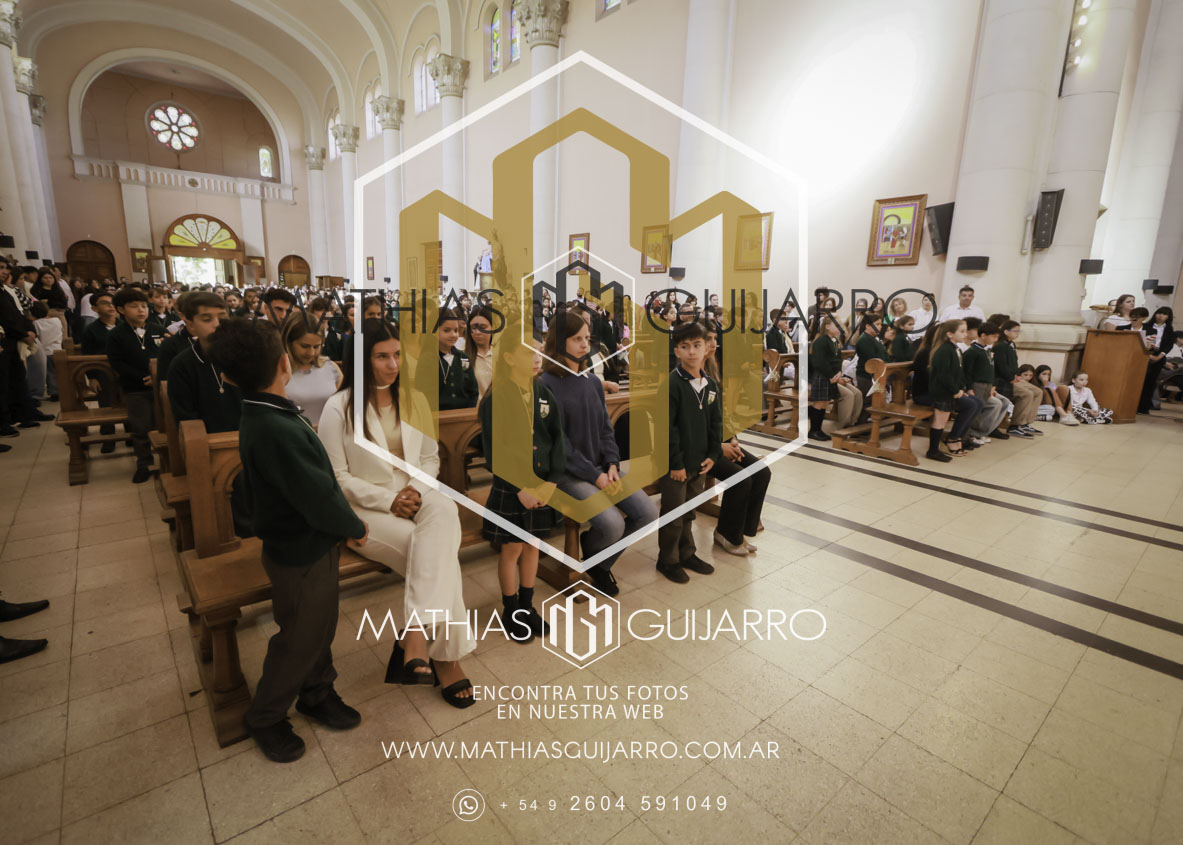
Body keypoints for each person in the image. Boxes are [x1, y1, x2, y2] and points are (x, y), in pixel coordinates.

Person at [204, 318, 367, 762]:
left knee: (318, 627)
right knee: (299, 638)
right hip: (299, 550)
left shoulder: (269, 411)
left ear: (229, 376)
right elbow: (317, 496)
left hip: (307, 544)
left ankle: (317, 691)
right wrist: (354, 526)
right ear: (283, 363)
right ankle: (266, 716)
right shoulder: (276, 426)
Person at [317, 319, 475, 707]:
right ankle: (446, 659)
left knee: (445, 509)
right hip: (367, 507)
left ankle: (414, 635)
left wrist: (414, 489)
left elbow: (430, 458)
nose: (393, 364)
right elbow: (336, 476)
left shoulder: (414, 398)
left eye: (397, 355)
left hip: (415, 492)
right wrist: (389, 500)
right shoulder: (339, 408)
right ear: (362, 359)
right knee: (439, 558)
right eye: (381, 356)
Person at [540, 309, 658, 596]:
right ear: (558, 342)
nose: (585, 345)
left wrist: (612, 463)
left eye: (587, 338)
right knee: (612, 524)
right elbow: (559, 444)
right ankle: (598, 560)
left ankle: (598, 563)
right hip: (566, 473)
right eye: (576, 339)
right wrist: (595, 476)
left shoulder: (592, 381)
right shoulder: (545, 384)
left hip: (600, 467)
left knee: (647, 514)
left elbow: (606, 429)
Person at [479, 340, 565, 642]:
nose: (537, 358)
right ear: (509, 357)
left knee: (533, 546)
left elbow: (557, 438)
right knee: (512, 549)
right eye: (529, 352)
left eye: (539, 351)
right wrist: (520, 487)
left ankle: (527, 606)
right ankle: (511, 609)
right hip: (513, 488)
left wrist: (551, 481)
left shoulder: (543, 392)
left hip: (541, 485)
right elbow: (495, 452)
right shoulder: (496, 398)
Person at [656, 321, 719, 582]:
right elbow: (667, 429)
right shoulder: (672, 383)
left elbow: (716, 423)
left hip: (699, 461)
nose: (691, 351)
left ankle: (687, 553)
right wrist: (676, 463)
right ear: (677, 352)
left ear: (706, 348)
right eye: (685, 346)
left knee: (690, 510)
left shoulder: (710, 384)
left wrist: (713, 455)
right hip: (676, 464)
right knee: (673, 514)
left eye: (697, 345)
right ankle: (667, 560)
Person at [106, 287, 163, 483]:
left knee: (167, 425)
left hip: (162, 386)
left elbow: (170, 356)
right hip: (136, 389)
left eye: (144, 306)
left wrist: (158, 376)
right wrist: (143, 377)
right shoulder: (116, 335)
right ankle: (144, 464)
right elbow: (117, 362)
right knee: (141, 428)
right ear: (121, 310)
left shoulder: (158, 330)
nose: (141, 310)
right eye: (134, 306)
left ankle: (170, 462)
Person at [927, 319, 985, 459]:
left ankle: (956, 438)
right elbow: (943, 375)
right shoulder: (944, 350)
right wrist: (955, 391)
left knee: (976, 403)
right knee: (940, 421)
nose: (965, 334)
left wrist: (961, 389)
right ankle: (933, 451)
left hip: (950, 391)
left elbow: (958, 373)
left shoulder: (955, 348)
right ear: (950, 334)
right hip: (942, 392)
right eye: (962, 331)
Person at [807, 317, 860, 440]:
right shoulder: (821, 341)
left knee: (825, 402)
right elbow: (819, 362)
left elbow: (837, 360)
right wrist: (831, 376)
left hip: (830, 376)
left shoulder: (834, 341)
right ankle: (814, 430)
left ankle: (818, 430)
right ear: (827, 327)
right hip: (822, 375)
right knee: (820, 403)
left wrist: (839, 372)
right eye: (837, 325)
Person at [282, 315, 341, 426]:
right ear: (289, 342)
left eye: (316, 346)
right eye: (305, 346)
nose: (311, 353)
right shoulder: (278, 371)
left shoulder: (331, 367)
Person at [962, 322, 1009, 444]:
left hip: (987, 386)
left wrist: (992, 386)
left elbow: (991, 369)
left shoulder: (986, 350)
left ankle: (985, 431)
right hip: (977, 385)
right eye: (994, 336)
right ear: (983, 335)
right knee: (979, 409)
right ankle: (972, 433)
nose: (996, 340)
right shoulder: (972, 351)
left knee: (1004, 402)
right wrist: (969, 388)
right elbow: (966, 372)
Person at [996, 321, 1042, 437]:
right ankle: (1015, 425)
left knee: (1038, 391)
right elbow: (1001, 365)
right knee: (1027, 394)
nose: (1018, 333)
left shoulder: (1012, 344)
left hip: (1014, 377)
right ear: (1006, 331)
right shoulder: (1000, 346)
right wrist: (1011, 377)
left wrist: (1017, 375)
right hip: (1004, 379)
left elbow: (1014, 363)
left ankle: (1026, 423)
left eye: (1018, 331)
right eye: (1015, 331)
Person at [437, 308, 478, 409]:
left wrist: (468, 411)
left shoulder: (463, 358)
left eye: (456, 330)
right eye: (446, 330)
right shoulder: (426, 359)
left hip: (463, 413)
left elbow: (472, 389)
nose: (453, 335)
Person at [1139, 307, 1174, 412]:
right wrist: (1149, 355)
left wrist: (1159, 356)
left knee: (1151, 382)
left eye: (1164, 314)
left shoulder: (1169, 329)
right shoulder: (1146, 326)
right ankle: (1135, 404)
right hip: (1145, 354)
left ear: (1168, 317)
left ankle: (1144, 407)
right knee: (1141, 381)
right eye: (1159, 313)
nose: (1161, 316)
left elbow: (1169, 345)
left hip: (1159, 357)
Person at [28, 301, 61, 401]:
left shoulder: (36, 323)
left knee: (49, 374)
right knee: (58, 373)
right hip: (58, 350)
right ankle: (60, 391)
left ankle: (54, 393)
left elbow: (37, 338)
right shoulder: (56, 320)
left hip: (46, 351)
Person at [853, 313, 889, 399]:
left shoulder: (874, 338)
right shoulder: (864, 340)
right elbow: (872, 358)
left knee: (876, 400)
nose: (880, 327)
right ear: (868, 326)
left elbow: (884, 354)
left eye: (880, 324)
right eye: (877, 324)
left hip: (876, 374)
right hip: (866, 376)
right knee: (868, 401)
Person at [465, 306, 496, 400]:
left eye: (483, 327)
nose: (478, 332)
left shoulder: (500, 355)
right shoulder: (462, 357)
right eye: (473, 328)